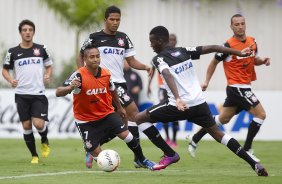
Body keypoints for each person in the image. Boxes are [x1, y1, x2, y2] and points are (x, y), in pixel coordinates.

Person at [134, 25, 268, 176]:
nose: (151, 45)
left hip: (179, 105)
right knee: (219, 135)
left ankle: (170, 154)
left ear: (159, 41)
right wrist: (239, 53)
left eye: (152, 41)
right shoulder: (184, 51)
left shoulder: (158, 58)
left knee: (139, 118)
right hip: (199, 103)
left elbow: (166, 74)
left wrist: (177, 98)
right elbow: (213, 47)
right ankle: (255, 164)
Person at [76, 5, 165, 168]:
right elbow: (81, 55)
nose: (115, 23)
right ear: (105, 20)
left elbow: (131, 61)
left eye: (118, 20)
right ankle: (144, 157)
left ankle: (92, 146)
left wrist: (145, 66)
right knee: (134, 114)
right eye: (112, 19)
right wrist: (82, 75)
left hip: (118, 83)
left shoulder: (123, 38)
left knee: (124, 124)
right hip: (103, 83)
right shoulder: (94, 37)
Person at [56, 44, 165, 171]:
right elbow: (58, 92)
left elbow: (112, 89)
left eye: (97, 56)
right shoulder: (78, 75)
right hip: (85, 120)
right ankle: (94, 154)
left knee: (128, 136)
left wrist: (120, 108)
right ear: (85, 59)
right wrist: (70, 88)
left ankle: (143, 160)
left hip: (106, 114)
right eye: (92, 57)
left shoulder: (106, 73)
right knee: (95, 152)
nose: (95, 59)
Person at [187, 14, 270, 163]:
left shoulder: (252, 42)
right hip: (237, 87)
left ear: (245, 24)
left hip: (243, 87)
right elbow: (213, 62)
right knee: (261, 115)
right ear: (231, 27)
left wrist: (262, 61)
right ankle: (247, 148)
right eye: (236, 24)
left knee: (222, 119)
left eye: (242, 23)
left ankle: (195, 138)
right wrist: (206, 81)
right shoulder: (227, 46)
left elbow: (253, 59)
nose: (240, 26)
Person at [2, 19, 52, 164]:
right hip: (21, 95)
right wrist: (11, 80)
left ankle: (44, 139)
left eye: (30, 30)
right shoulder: (13, 52)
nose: (27, 32)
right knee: (26, 125)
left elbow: (48, 66)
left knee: (39, 124)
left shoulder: (41, 49)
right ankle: (34, 156)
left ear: (33, 32)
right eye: (24, 30)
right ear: (20, 33)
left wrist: (48, 74)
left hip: (38, 94)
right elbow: (5, 70)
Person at [147, 33, 179, 147]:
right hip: (163, 89)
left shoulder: (179, 54)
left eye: (174, 39)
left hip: (175, 89)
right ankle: (168, 138)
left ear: (176, 41)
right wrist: (148, 86)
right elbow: (152, 71)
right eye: (170, 39)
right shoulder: (159, 55)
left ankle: (174, 140)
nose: (172, 41)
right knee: (164, 114)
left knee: (176, 114)